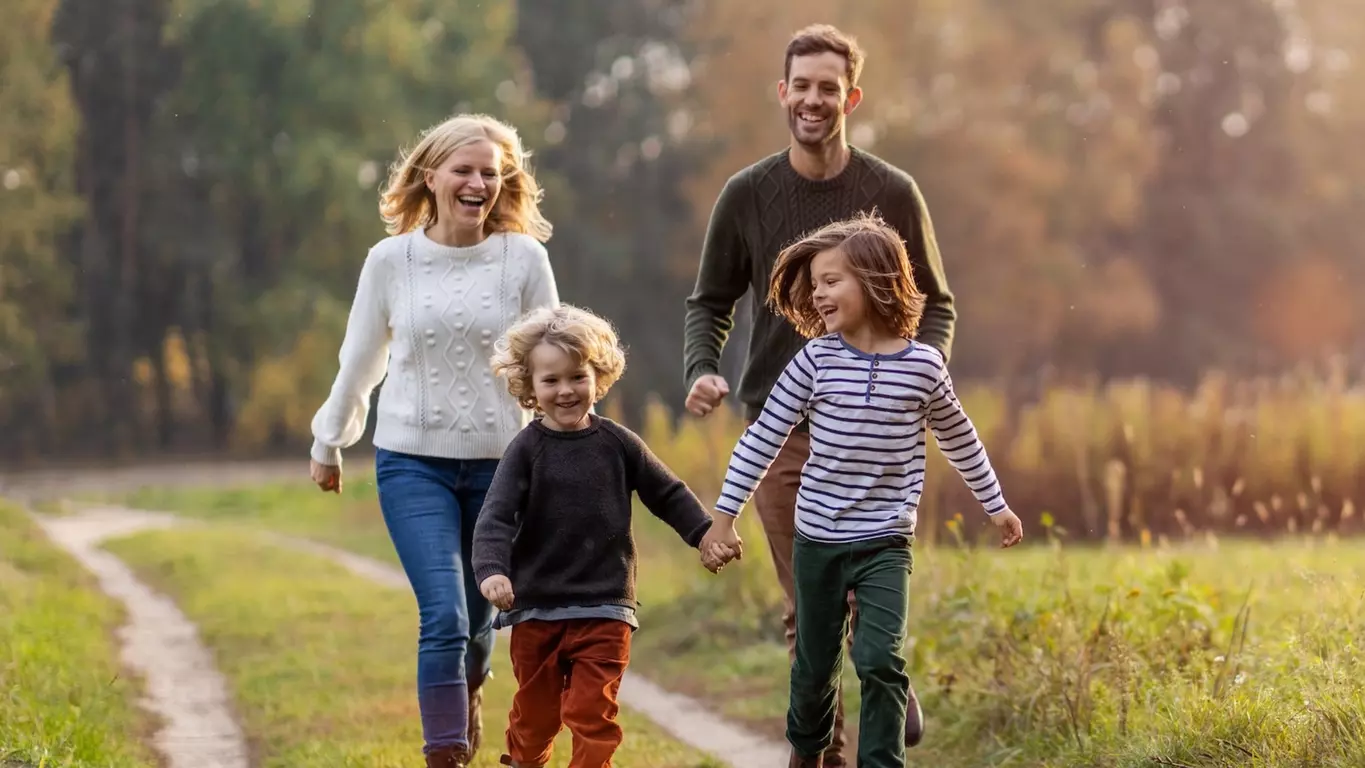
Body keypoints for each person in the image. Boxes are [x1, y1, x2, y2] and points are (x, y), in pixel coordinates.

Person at [681, 22, 956, 764]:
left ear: (851, 97)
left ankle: (883, 671)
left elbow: (935, 303)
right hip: (781, 429)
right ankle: (822, 755)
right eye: (800, 86)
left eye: (827, 88)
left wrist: (919, 375)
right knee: (809, 605)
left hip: (874, 429)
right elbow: (709, 301)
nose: (812, 99)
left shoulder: (892, 192)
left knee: (868, 593)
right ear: (782, 92)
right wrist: (701, 368)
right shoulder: (747, 193)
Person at [700, 213, 1023, 768]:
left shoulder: (923, 367)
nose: (818, 294)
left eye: (831, 281)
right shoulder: (815, 360)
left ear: (876, 281)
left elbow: (960, 438)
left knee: (880, 660)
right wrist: (724, 516)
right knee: (814, 668)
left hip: (886, 542)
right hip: (818, 540)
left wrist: (997, 507)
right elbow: (763, 437)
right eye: (815, 284)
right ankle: (807, 753)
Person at [308, 113, 560, 768]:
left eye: (489, 173)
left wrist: (564, 451)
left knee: (478, 622)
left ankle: (470, 688)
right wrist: (329, 440)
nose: (477, 183)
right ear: (431, 176)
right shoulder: (391, 261)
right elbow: (361, 358)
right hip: (411, 465)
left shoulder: (523, 260)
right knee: (443, 615)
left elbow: (551, 360)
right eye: (463, 170)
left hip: (501, 469)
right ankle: (444, 754)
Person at [471, 304, 733, 768]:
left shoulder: (618, 443)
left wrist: (705, 535)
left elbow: (667, 493)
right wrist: (492, 570)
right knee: (536, 719)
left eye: (578, 377)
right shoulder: (525, 449)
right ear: (530, 387)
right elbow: (495, 517)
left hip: (606, 606)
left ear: (599, 376)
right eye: (551, 380)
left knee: (591, 713)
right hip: (536, 609)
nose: (566, 390)